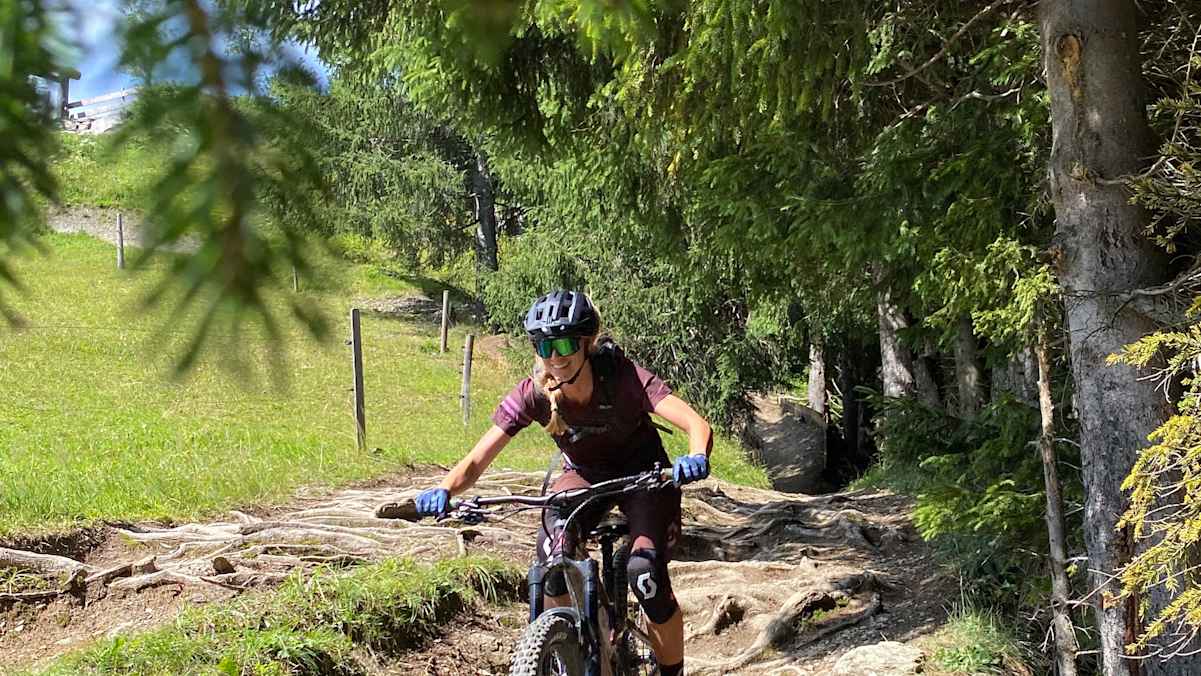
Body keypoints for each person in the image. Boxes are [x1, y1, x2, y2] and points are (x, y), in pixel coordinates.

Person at [414, 289, 712, 676]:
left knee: (644, 573)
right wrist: (444, 490)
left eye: (566, 342)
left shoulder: (621, 377)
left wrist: (696, 457)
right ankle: (569, 646)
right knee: (551, 561)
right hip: (583, 477)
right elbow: (475, 460)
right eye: (544, 344)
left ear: (587, 343)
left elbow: (695, 423)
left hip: (645, 476)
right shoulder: (533, 393)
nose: (555, 355)